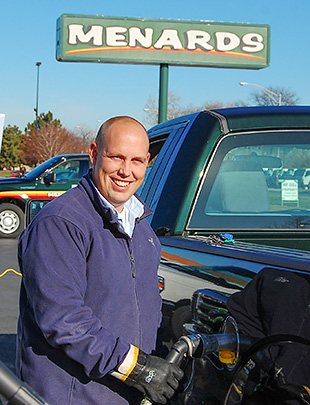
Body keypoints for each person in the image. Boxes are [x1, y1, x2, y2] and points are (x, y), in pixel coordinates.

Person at [16, 116, 183, 405]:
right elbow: (64, 320)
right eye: (116, 157)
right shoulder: (61, 223)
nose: (125, 171)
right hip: (70, 397)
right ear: (94, 154)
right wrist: (138, 368)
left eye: (136, 161)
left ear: (148, 162)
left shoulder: (142, 228)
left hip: (123, 394)